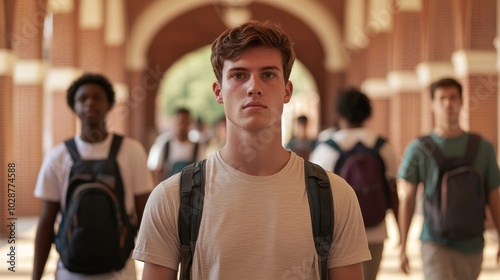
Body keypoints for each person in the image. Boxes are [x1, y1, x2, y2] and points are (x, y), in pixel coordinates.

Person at [133, 20, 370, 279]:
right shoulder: (173, 198)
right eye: (238, 75)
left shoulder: (335, 197)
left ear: (287, 91)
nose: (253, 87)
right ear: (219, 91)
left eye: (268, 74)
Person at [32, 73, 154, 280]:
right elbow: (46, 222)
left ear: (109, 104)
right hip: (69, 272)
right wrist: (36, 277)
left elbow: (145, 215)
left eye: (98, 97)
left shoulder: (131, 151)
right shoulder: (58, 156)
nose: (90, 103)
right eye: (83, 99)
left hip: (120, 271)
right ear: (74, 107)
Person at [397, 77, 500, 280]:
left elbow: (494, 195)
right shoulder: (418, 149)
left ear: (461, 101)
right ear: (433, 105)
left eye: (453, 97)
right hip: (435, 243)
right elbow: (407, 199)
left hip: (473, 245)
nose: (448, 103)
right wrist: (403, 245)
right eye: (442, 98)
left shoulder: (483, 148)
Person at [310, 87, 400, 280]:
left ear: (339, 113)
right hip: (375, 230)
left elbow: (313, 197)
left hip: (335, 235)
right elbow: (393, 192)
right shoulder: (383, 146)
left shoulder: (326, 149)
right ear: (367, 112)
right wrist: (401, 233)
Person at [147, 107, 204, 184]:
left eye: (185, 122)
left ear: (190, 123)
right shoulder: (163, 144)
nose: (182, 126)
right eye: (180, 122)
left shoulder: (197, 147)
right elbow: (155, 170)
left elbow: (201, 173)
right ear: (174, 123)